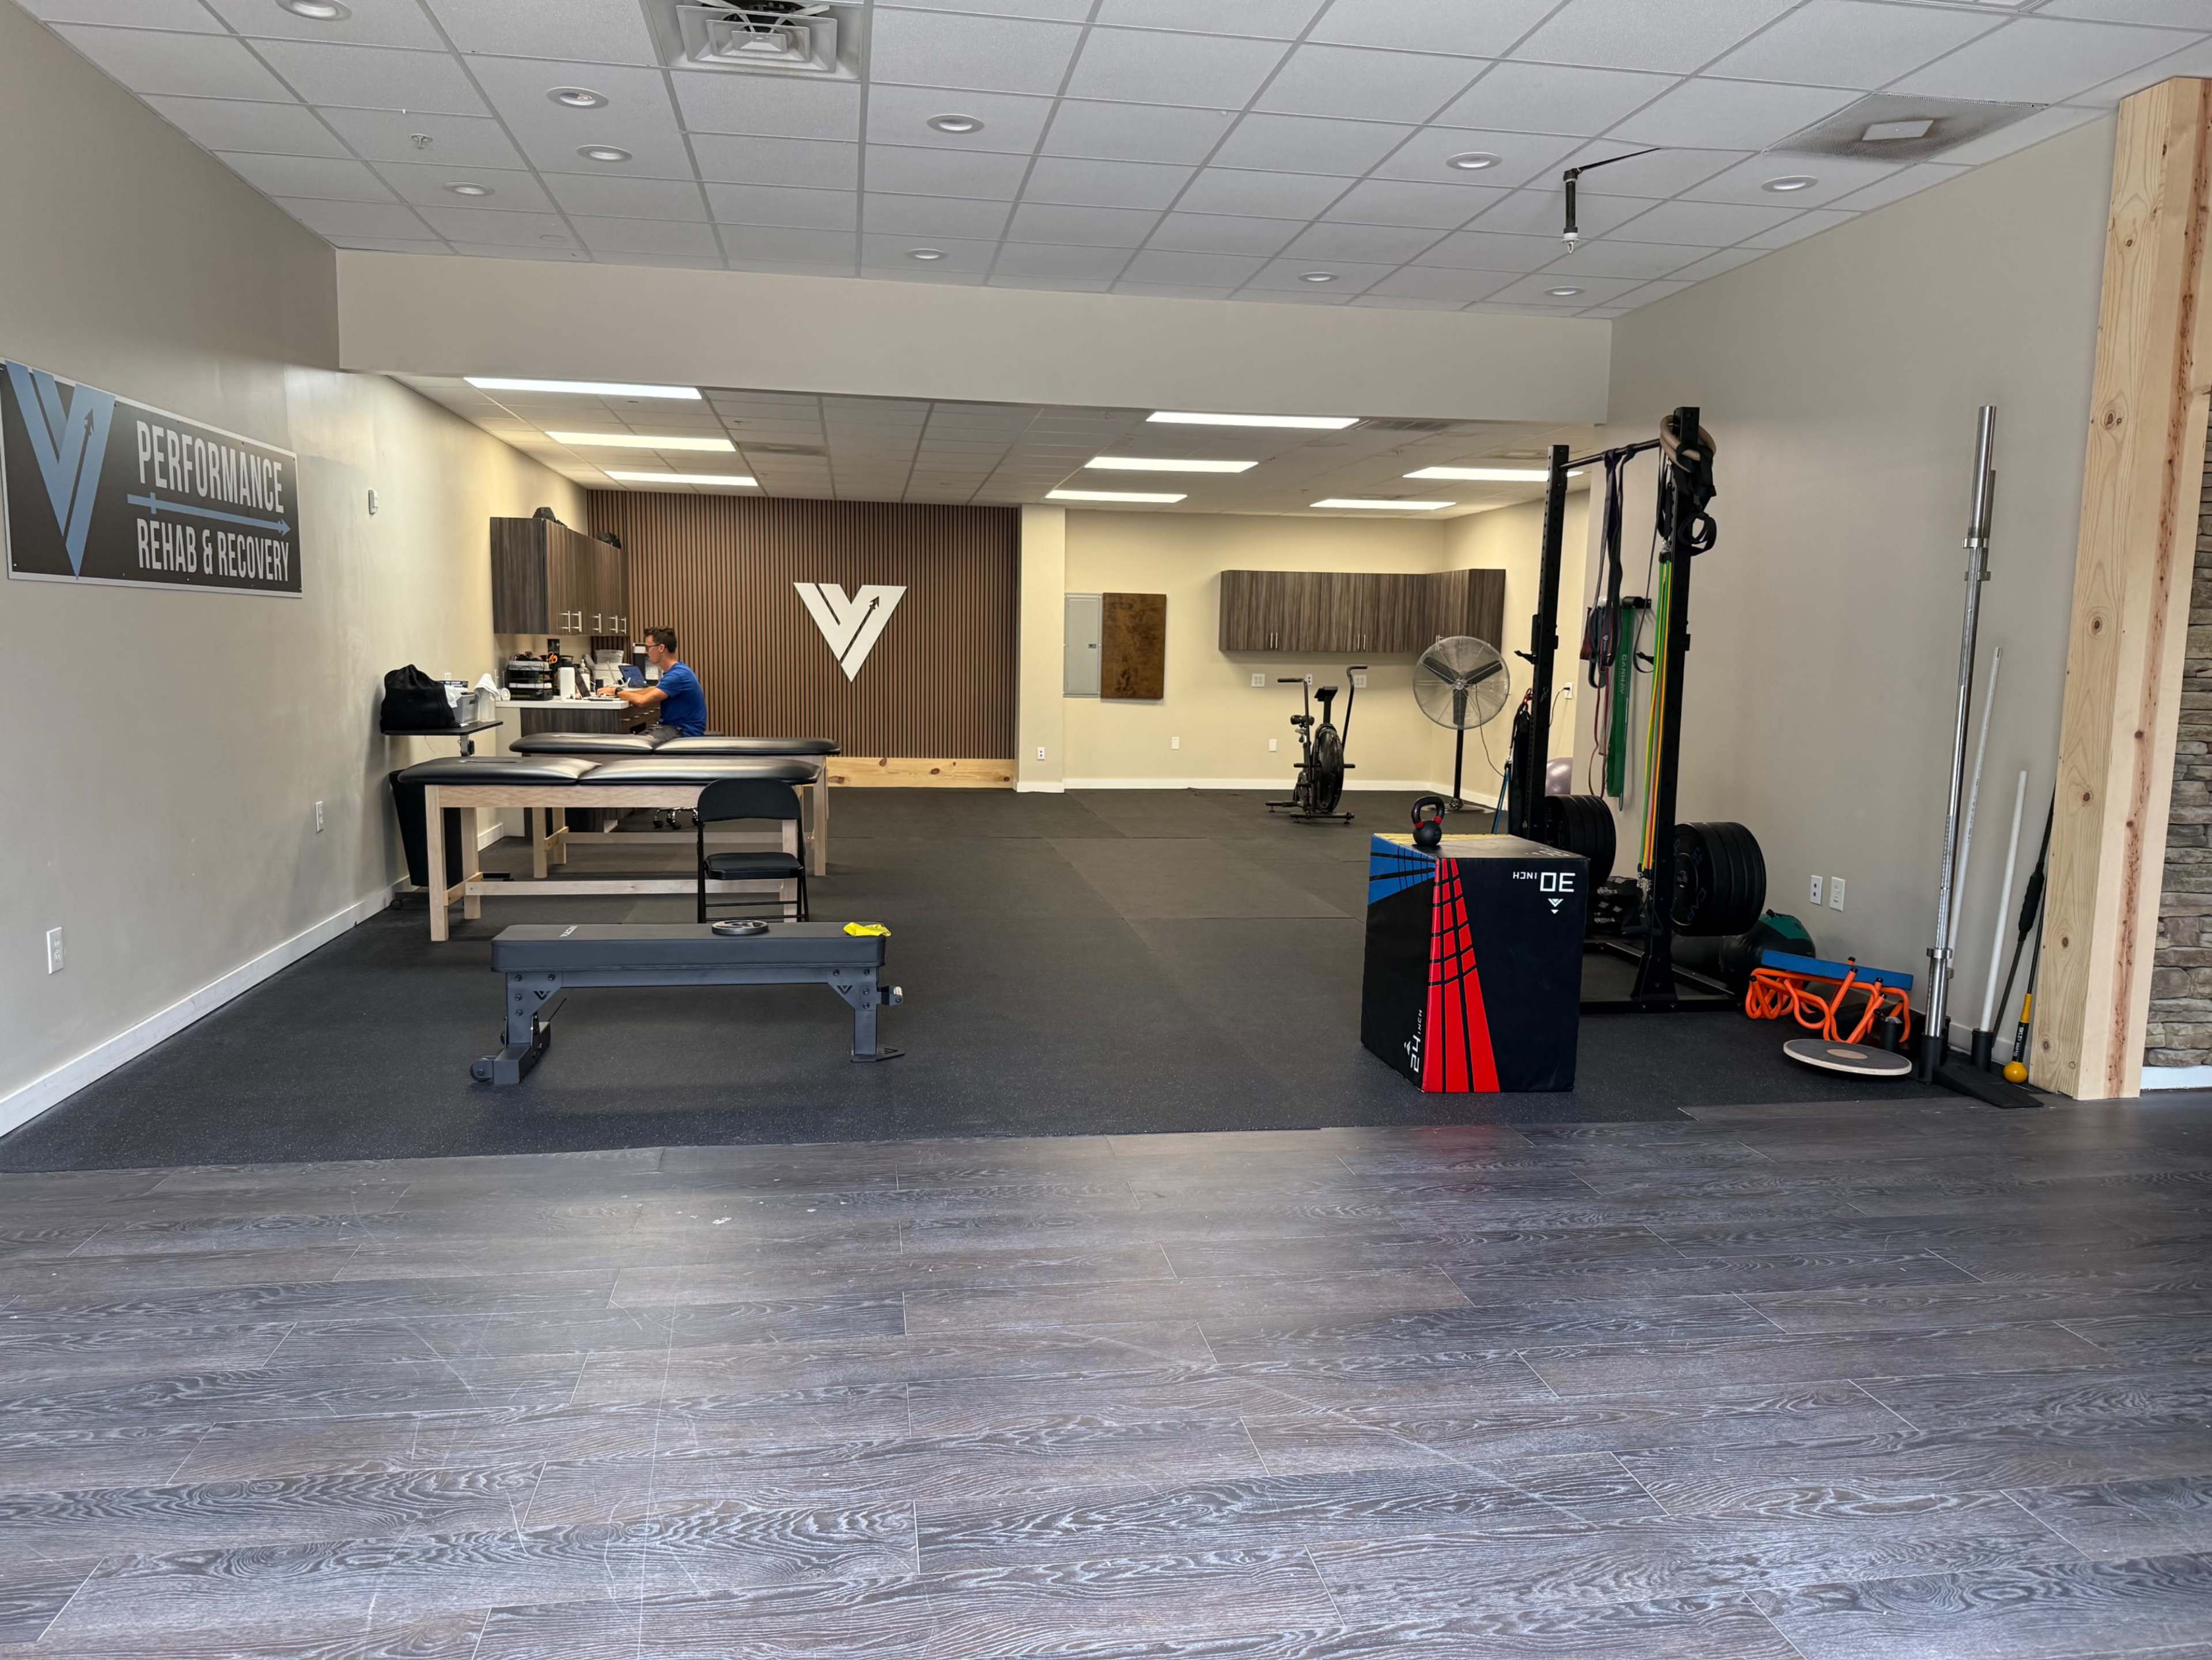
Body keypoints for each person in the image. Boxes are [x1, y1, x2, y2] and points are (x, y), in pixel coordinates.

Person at [595, 627, 707, 738]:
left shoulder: (677, 675)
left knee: (637, 744)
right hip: (673, 727)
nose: (646, 652)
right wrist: (623, 692)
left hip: (684, 731)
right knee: (633, 740)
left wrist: (617, 691)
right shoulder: (678, 670)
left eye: (648, 648)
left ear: (661, 648)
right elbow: (653, 690)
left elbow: (642, 701)